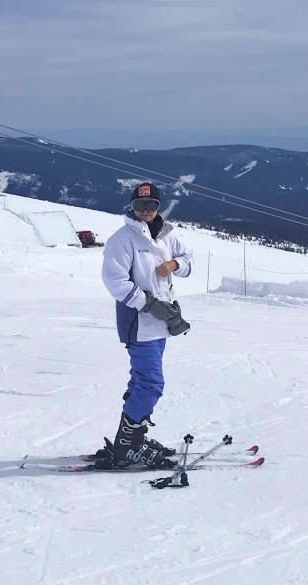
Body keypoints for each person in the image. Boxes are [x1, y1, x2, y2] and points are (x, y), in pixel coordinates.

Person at [98, 182, 193, 468]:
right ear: (132, 207)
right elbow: (115, 281)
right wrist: (150, 305)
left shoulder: (166, 236)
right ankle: (128, 445)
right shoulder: (122, 239)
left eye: (151, 205)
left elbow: (189, 261)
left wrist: (174, 265)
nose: (145, 211)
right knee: (151, 385)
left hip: (161, 324)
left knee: (141, 382)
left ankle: (130, 438)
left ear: (159, 207)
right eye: (140, 205)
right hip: (138, 323)